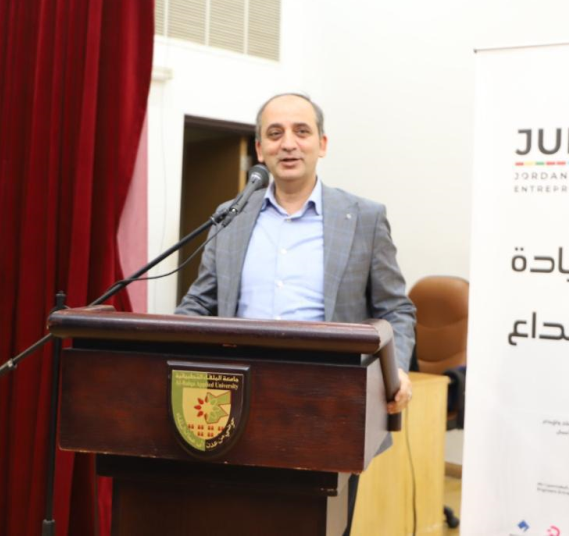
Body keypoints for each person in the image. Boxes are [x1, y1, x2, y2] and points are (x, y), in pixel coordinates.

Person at [176, 92, 416, 534]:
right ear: (260, 148)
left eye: (301, 132)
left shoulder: (364, 217)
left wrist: (395, 367)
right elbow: (200, 303)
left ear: (322, 144)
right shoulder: (229, 216)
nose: (288, 143)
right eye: (275, 133)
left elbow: (395, 308)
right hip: (236, 405)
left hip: (329, 404)